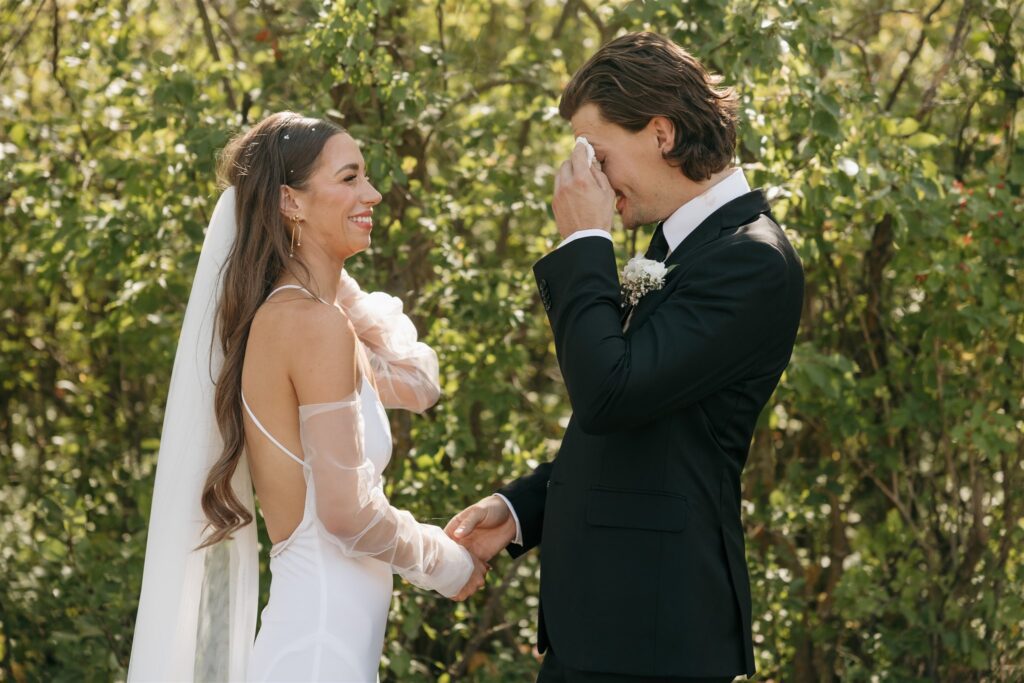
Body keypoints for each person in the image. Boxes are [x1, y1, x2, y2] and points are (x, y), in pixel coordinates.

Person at [446, 32, 804, 682]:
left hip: (657, 635)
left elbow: (609, 392)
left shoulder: (751, 259)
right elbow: (644, 429)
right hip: (603, 632)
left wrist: (584, 238)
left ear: (661, 134)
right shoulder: (673, 247)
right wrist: (524, 507)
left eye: (599, 155)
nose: (596, 181)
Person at [129, 111, 487, 682]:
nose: (371, 192)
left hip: (326, 648)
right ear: (290, 201)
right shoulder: (308, 325)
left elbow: (419, 381)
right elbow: (346, 515)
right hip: (319, 651)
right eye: (349, 178)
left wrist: (333, 278)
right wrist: (446, 563)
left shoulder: (311, 315)